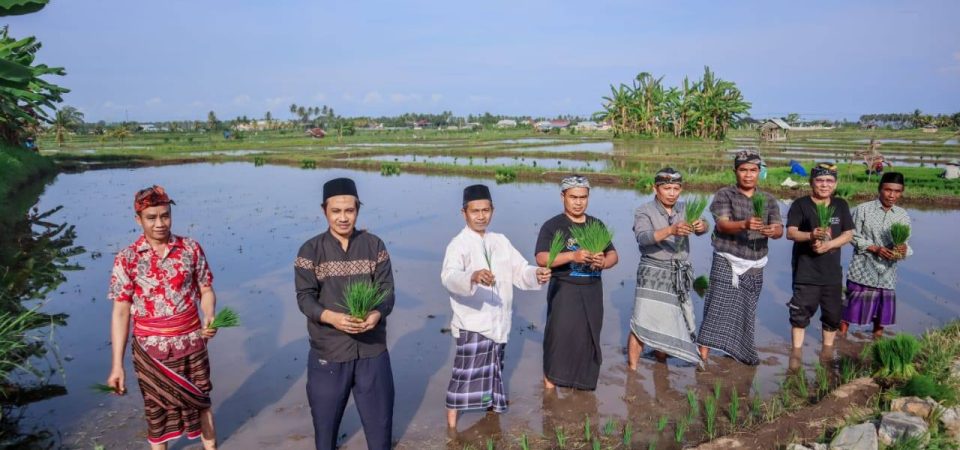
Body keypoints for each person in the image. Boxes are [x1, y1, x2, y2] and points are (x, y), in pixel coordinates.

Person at [106, 185, 219, 449]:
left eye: (165, 216)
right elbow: (121, 312)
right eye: (151, 217)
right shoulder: (127, 258)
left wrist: (209, 314)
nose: (160, 223)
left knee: (201, 400)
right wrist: (117, 365)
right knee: (156, 411)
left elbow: (205, 289)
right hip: (151, 352)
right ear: (138, 219)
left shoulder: (190, 248)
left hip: (192, 343)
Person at [294, 177, 395, 450]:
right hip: (329, 351)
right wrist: (332, 318)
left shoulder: (375, 246)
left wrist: (376, 314)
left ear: (357, 210)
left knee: (380, 431)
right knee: (325, 432)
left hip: (372, 349)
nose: (343, 218)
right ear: (324, 210)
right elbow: (304, 298)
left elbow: (386, 291)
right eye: (336, 211)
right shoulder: (310, 251)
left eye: (349, 210)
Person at [441, 184, 551, 429]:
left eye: (486, 210)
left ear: (493, 210)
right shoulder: (458, 245)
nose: (481, 216)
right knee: (464, 375)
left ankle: (490, 413)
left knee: (493, 373)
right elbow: (449, 277)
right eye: (475, 211)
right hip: (473, 323)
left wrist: (536, 274)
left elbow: (520, 270)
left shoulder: (500, 241)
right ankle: (451, 428)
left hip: (499, 322)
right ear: (464, 213)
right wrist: (472, 276)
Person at [696, 150, 783, 366]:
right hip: (727, 259)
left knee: (746, 309)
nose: (748, 175)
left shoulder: (769, 199)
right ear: (735, 171)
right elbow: (722, 224)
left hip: (755, 262)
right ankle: (702, 355)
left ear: (759, 172)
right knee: (716, 307)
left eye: (753, 170)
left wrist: (773, 231)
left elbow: (779, 229)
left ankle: (737, 352)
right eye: (743, 170)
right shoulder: (725, 195)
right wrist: (744, 224)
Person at [535, 175, 618, 390]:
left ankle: (583, 387)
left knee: (588, 339)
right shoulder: (553, 226)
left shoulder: (596, 224)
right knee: (559, 338)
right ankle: (550, 389)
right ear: (563, 196)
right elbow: (541, 258)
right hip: (564, 290)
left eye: (583, 197)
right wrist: (573, 256)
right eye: (573, 197)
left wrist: (603, 262)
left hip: (592, 291)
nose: (578, 202)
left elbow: (613, 255)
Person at [628, 168, 708, 369]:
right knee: (642, 321)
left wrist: (702, 226)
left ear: (681, 189)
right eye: (666, 188)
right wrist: (671, 230)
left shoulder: (685, 208)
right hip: (653, 271)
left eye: (676, 188)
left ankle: (661, 362)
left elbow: (705, 226)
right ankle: (632, 370)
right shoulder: (644, 210)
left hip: (679, 272)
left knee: (669, 320)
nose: (672, 193)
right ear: (655, 188)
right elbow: (643, 238)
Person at [784, 163, 854, 351]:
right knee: (799, 317)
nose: (824, 184)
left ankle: (827, 353)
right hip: (806, 273)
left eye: (829, 181)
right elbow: (791, 232)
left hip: (832, 274)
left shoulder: (840, 205)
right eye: (820, 180)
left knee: (832, 317)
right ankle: (796, 355)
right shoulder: (800, 204)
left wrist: (829, 245)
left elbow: (848, 234)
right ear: (811, 182)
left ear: (835, 184)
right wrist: (811, 235)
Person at [840, 172, 912, 338]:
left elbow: (906, 243)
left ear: (901, 192)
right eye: (888, 190)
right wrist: (874, 248)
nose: (892, 195)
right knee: (849, 310)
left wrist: (902, 250)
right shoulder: (863, 209)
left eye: (897, 191)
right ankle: (839, 339)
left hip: (887, 272)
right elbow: (851, 235)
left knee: (881, 313)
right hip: (863, 269)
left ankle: (876, 341)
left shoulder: (902, 215)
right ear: (880, 189)